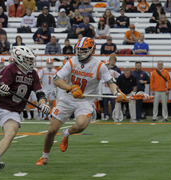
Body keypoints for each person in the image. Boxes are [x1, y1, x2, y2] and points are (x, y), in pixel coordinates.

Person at [35, 37, 126, 165]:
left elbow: (110, 83)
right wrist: (70, 88)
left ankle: (67, 133)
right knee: (51, 130)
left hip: (85, 100)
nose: (80, 53)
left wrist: (117, 93)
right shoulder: (72, 62)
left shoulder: (99, 66)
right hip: (67, 98)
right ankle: (44, 156)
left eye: (84, 50)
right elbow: (57, 79)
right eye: (79, 50)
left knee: (82, 125)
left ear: (92, 50)